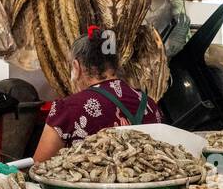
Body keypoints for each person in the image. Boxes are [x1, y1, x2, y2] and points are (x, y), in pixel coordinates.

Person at [32, 25, 164, 162]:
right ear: (115, 65)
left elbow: (39, 166)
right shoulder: (149, 104)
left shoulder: (67, 109)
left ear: (76, 67)